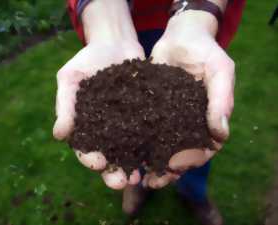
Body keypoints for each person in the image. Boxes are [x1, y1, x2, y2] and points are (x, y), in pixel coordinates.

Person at [53, 0, 245, 224]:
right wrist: (107, 21)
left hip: (196, 22)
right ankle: (138, 182)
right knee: (138, 148)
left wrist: (198, 15)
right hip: (129, 17)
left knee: (196, 139)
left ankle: (194, 193)